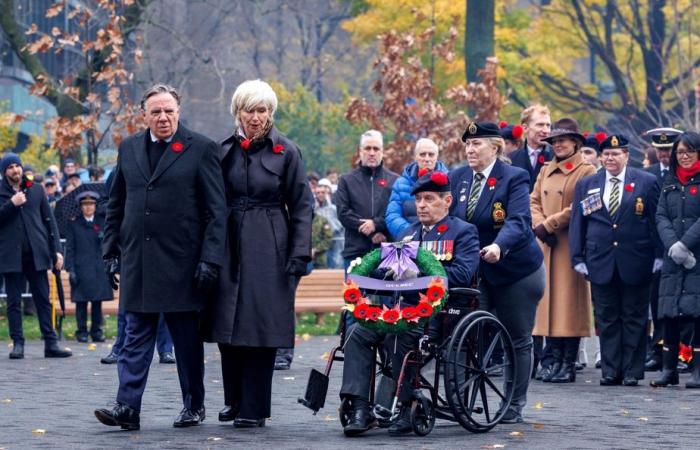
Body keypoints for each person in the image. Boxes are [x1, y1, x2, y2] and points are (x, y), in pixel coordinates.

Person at [94, 84, 226, 431]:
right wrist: (110, 252)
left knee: (185, 343)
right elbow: (115, 204)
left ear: (178, 112)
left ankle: (193, 405)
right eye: (156, 112)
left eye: (169, 110)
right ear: (145, 115)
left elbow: (216, 211)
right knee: (135, 338)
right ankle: (127, 407)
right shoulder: (129, 148)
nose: (163, 117)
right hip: (139, 262)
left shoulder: (201, 149)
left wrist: (210, 259)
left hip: (184, 265)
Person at [203, 79, 312, 428]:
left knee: (260, 327)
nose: (256, 117)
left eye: (262, 110)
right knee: (227, 324)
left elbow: (302, 205)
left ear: (271, 113)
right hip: (228, 241)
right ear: (238, 111)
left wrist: (298, 254)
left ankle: (254, 407)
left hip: (270, 243)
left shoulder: (287, 152)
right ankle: (233, 400)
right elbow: (209, 202)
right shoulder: (223, 150)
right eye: (250, 109)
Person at [341, 171, 480, 437]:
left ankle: (405, 405)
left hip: (441, 314)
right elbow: (385, 269)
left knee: (401, 334)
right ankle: (360, 407)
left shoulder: (463, 232)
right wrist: (368, 274)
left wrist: (420, 275)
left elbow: (462, 274)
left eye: (429, 199)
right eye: (418, 200)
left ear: (447, 200)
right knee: (357, 332)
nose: (422, 205)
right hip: (400, 309)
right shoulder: (408, 233)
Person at [449, 122, 545, 423]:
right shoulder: (458, 178)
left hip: (515, 269)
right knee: (465, 334)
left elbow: (518, 221)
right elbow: (450, 220)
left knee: (517, 337)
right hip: (476, 271)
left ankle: (513, 404)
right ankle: (461, 401)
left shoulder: (514, 177)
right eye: (467, 144)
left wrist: (499, 247)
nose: (470, 149)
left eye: (476, 144)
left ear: (495, 147)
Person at [570, 134, 662, 386]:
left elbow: (655, 220)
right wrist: (577, 256)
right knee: (607, 317)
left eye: (616, 154)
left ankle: (632, 370)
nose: (610, 158)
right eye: (606, 154)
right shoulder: (588, 184)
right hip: (600, 259)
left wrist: (659, 255)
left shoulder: (645, 181)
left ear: (626, 156)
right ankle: (610, 370)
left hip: (637, 258)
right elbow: (579, 223)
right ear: (600, 157)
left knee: (635, 316)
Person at [530, 118, 596, 383]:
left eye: (562, 140)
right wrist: (539, 225)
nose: (557, 145)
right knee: (547, 306)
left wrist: (550, 224)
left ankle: (568, 362)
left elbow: (582, 205)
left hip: (571, 242)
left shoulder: (587, 171)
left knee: (569, 305)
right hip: (546, 244)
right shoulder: (545, 170)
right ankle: (552, 359)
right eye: (554, 141)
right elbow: (533, 200)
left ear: (576, 143)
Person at [0, 153, 72, 359]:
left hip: (36, 254)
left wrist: (57, 250)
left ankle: (51, 343)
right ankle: (18, 343)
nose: (15, 170)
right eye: (10, 167)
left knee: (43, 299)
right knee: (14, 302)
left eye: (17, 166)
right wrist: (11, 204)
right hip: (10, 256)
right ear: (4, 172)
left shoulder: (36, 189)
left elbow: (50, 222)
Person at [652, 131, 700, 387]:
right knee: (670, 313)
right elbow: (661, 216)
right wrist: (673, 245)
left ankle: (697, 369)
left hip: (697, 256)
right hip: (673, 258)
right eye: (680, 152)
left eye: (689, 152)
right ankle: (668, 369)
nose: (684, 157)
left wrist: (686, 244)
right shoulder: (670, 181)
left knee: (697, 314)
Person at [643, 128, 682, 372]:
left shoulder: (686, 173)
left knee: (685, 305)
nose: (663, 155)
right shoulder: (648, 175)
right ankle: (658, 351)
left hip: (683, 245)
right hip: (656, 250)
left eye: (668, 150)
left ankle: (684, 353)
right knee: (658, 304)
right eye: (660, 150)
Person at [336, 130, 398, 268]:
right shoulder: (346, 180)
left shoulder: (395, 181)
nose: (372, 153)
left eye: (376, 149)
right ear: (360, 151)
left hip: (387, 251)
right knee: (355, 290)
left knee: (385, 290)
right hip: (355, 253)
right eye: (367, 148)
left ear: (382, 151)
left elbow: (397, 212)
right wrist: (370, 232)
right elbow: (343, 213)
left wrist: (377, 225)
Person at [64, 191, 113, 343]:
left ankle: (96, 331)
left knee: (97, 302)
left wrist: (103, 237)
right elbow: (70, 248)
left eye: (91, 204)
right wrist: (70, 268)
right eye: (85, 205)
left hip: (98, 268)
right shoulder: (74, 224)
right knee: (81, 302)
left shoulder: (102, 222)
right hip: (81, 268)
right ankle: (82, 331)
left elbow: (111, 243)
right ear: (80, 207)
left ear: (95, 206)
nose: (88, 208)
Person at [385, 138, 448, 240]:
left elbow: (455, 214)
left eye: (431, 154)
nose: (427, 159)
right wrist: (412, 234)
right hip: (409, 242)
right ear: (415, 157)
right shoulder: (401, 183)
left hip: (442, 241)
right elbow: (392, 216)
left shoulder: (450, 180)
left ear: (437, 157)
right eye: (422, 154)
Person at [508, 104, 553, 191]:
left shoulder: (557, 157)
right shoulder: (511, 159)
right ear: (525, 128)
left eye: (548, 125)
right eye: (540, 125)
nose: (545, 130)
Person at [316, 178, 344, 268]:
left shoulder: (333, 209)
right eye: (318, 193)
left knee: (337, 263)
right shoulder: (315, 210)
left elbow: (339, 226)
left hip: (337, 241)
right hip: (321, 244)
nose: (320, 195)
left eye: (323, 192)